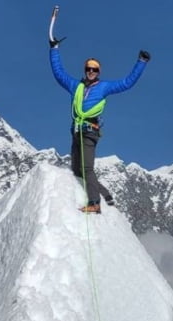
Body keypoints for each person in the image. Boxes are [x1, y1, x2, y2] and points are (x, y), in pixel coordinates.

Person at [49, 36, 150, 214]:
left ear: (99, 72)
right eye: (88, 68)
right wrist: (54, 49)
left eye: (94, 69)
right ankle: (104, 193)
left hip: (89, 132)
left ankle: (95, 203)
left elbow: (127, 83)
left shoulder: (104, 87)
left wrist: (141, 62)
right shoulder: (76, 86)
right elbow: (59, 73)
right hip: (76, 131)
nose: (91, 71)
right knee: (76, 170)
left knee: (87, 168)